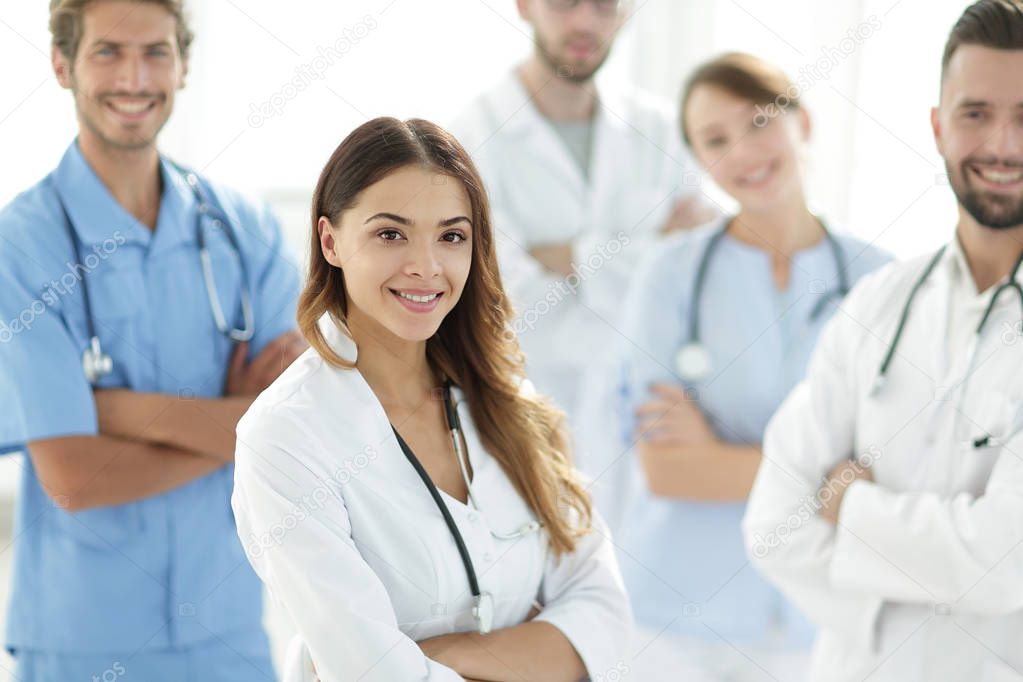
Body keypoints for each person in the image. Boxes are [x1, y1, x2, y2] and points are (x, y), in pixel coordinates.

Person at [231, 117, 631, 682]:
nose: (426, 267)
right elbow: (371, 673)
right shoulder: (286, 435)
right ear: (330, 241)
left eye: (451, 236)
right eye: (390, 234)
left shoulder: (509, 401)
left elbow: (605, 620)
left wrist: (436, 656)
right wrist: (533, 653)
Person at [0, 1, 303, 679]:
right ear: (60, 65)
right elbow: (74, 478)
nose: (134, 77)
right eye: (107, 51)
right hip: (83, 637)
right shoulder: (20, 247)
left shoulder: (242, 227)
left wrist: (111, 409)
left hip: (229, 629)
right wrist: (236, 427)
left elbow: (298, 433)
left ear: (184, 64)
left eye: (156, 52)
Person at [743, 2, 1023, 680]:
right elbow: (771, 524)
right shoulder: (878, 302)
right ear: (935, 127)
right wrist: (936, 581)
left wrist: (851, 508)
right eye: (974, 114)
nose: (1002, 146)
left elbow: (1005, 564)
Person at [594, 54, 891, 680]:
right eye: (715, 140)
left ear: (802, 120)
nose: (743, 152)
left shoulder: (880, 280)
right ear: (700, 161)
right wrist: (824, 480)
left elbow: (891, 470)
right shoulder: (669, 275)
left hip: (824, 615)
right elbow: (670, 468)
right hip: (677, 620)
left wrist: (727, 459)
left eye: (758, 122)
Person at [449, 0, 715, 422]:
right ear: (523, 6)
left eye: (604, 6)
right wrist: (648, 251)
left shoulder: (660, 129)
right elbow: (500, 291)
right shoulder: (471, 136)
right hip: (526, 407)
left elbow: (697, 265)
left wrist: (567, 257)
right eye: (564, 3)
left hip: (648, 414)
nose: (585, 22)